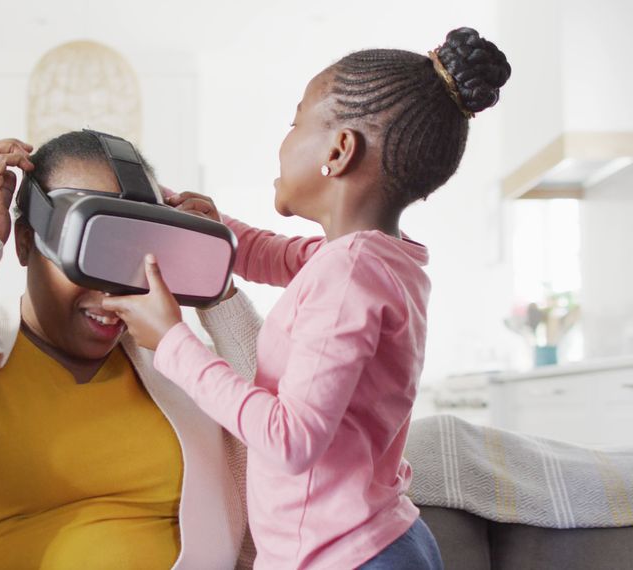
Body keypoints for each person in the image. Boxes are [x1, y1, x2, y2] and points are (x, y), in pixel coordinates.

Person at [101, 27, 511, 569]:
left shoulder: (349, 274)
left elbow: (289, 439)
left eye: (295, 122)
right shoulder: (374, 258)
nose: (285, 138)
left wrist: (172, 342)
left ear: (339, 152)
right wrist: (213, 225)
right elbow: (276, 256)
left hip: (347, 557)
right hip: (371, 543)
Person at [0, 131, 258, 569]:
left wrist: (217, 290)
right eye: (91, 250)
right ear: (25, 240)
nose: (112, 291)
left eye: (133, 256)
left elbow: (282, 434)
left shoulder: (176, 366)